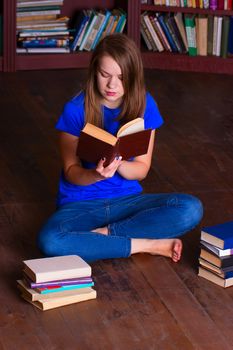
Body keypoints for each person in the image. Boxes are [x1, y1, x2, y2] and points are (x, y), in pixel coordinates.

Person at [37, 33, 203, 263]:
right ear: (94, 71)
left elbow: (142, 169)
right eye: (104, 75)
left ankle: (101, 238)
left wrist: (119, 163)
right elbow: (71, 172)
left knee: (190, 209)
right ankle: (146, 244)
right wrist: (96, 174)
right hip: (81, 204)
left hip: (126, 202)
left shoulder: (145, 104)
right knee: (50, 240)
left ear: (133, 76)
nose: (112, 85)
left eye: (121, 77)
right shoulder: (75, 110)